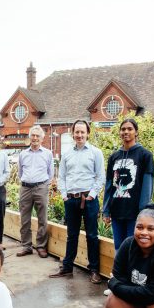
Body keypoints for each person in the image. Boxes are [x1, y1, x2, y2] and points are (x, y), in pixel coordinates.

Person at [50, 120, 105, 284]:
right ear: (72, 134)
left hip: (89, 200)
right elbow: (62, 177)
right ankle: (67, 267)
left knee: (92, 235)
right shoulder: (67, 154)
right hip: (71, 200)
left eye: (82, 132)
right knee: (71, 235)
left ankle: (94, 270)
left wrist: (92, 195)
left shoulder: (96, 153)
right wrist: (64, 196)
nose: (79, 135)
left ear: (88, 133)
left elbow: (100, 177)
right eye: (77, 132)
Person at [102, 118, 154, 251]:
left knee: (133, 247)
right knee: (118, 247)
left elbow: (147, 186)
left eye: (130, 129)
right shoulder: (114, 157)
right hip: (117, 210)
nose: (126, 132)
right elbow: (109, 185)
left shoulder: (145, 155)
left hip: (134, 212)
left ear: (136, 132)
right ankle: (119, 266)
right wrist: (106, 210)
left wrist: (143, 211)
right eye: (123, 129)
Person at [16, 125, 54, 258]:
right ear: (30, 137)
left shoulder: (48, 154)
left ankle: (41, 246)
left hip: (41, 187)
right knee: (24, 218)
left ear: (42, 138)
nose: (35, 138)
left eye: (38, 136)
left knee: (42, 218)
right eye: (33, 135)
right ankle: (26, 246)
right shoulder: (23, 154)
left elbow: (50, 174)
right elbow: (20, 173)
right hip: (25, 188)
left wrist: (43, 185)